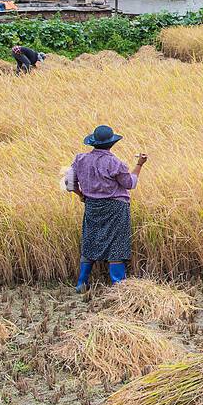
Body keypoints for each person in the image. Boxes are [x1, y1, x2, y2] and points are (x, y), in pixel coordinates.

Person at [65, 125, 147, 292]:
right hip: (116, 208)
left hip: (92, 206)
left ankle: (81, 283)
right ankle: (118, 286)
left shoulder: (80, 160)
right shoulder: (115, 163)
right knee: (116, 246)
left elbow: (69, 183)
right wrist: (139, 164)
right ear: (112, 143)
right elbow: (130, 184)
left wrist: (81, 195)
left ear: (93, 143)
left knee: (90, 242)